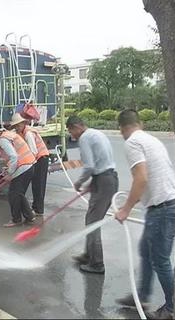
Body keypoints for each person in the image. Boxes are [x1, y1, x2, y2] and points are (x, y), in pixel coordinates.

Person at [115, 109, 175, 320]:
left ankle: (172, 308)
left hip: (162, 208)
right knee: (146, 251)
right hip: (166, 205)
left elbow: (141, 178)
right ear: (139, 123)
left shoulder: (132, 142)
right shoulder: (150, 139)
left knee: (160, 261)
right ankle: (141, 296)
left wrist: (125, 209)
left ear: (123, 128)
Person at [66, 115, 118, 274]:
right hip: (108, 178)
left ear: (76, 127)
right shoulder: (96, 133)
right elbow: (100, 163)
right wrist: (92, 183)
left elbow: (89, 166)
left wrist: (79, 182)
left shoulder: (84, 138)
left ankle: (96, 264)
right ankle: (89, 255)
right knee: (91, 219)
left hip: (103, 181)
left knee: (93, 223)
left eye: (71, 131)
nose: (72, 136)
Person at [0, 123, 36, 227]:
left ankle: (16, 220)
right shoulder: (7, 135)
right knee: (18, 194)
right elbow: (13, 157)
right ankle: (29, 216)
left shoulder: (3, 140)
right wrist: (7, 169)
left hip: (24, 167)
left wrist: (10, 173)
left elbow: (14, 157)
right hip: (28, 166)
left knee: (13, 194)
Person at [10, 113, 50, 216]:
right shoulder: (19, 132)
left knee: (39, 185)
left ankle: (38, 210)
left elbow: (33, 151)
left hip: (40, 158)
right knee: (35, 185)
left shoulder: (28, 133)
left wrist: (25, 163)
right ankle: (35, 208)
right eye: (15, 126)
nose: (17, 128)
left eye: (18, 125)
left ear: (23, 123)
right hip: (34, 159)